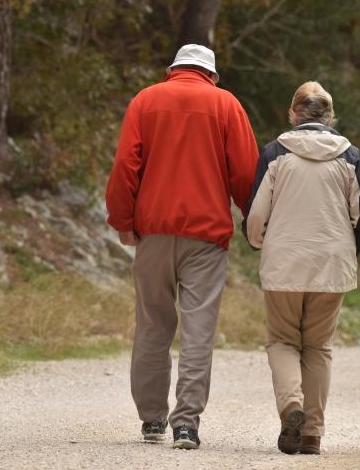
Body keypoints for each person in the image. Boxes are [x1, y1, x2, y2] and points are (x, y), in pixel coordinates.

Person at [105, 44, 259, 449]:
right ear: (211, 74)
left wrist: (123, 222)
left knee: (153, 325)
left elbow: (125, 165)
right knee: (198, 330)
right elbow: (245, 171)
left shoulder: (146, 100)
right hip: (206, 239)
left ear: (173, 69)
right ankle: (186, 424)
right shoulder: (226, 105)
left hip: (153, 235)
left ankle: (152, 419)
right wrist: (253, 219)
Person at [243, 81, 360, 455]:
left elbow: (256, 213)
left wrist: (258, 241)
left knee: (283, 340)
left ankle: (292, 406)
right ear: (331, 116)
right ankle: (312, 435)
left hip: (284, 263)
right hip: (331, 265)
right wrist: (347, 251)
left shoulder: (275, 152)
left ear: (293, 114)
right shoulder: (350, 156)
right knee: (318, 346)